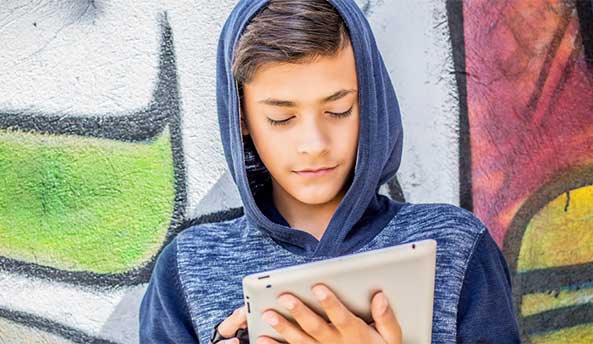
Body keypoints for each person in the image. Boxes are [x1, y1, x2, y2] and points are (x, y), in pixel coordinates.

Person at [139, 0, 521, 343]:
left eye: (338, 111)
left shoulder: (456, 247)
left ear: (369, 101)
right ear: (242, 118)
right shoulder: (187, 269)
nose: (315, 142)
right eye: (282, 117)